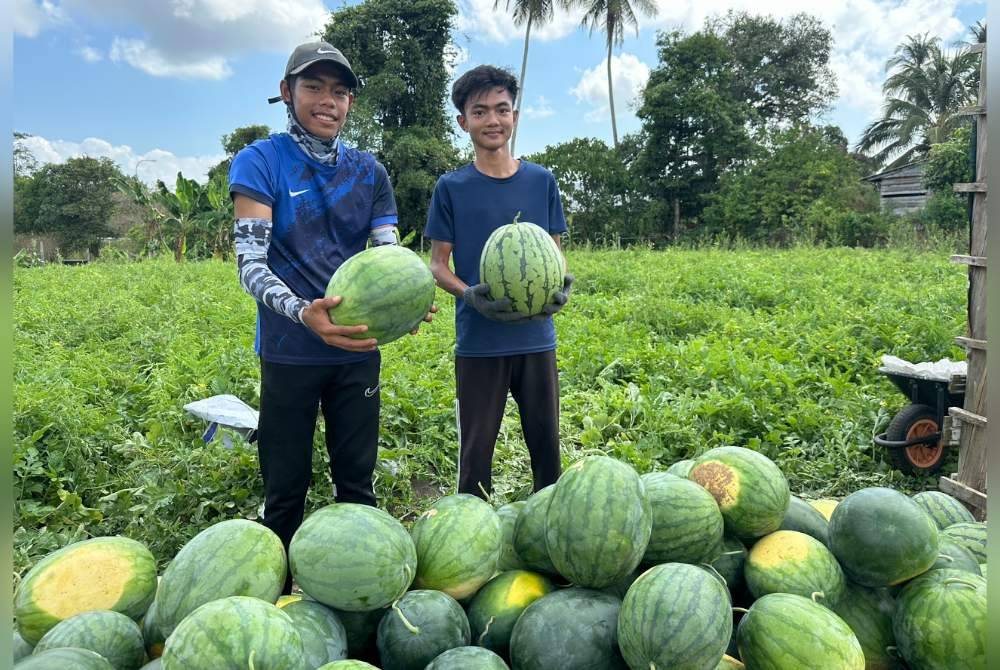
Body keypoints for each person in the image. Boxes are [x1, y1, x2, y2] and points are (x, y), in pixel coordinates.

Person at [228, 41, 430, 590]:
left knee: (356, 479)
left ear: (350, 103)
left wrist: (409, 304)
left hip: (358, 350)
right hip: (290, 349)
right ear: (286, 92)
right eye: (314, 87)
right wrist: (303, 311)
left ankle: (354, 586)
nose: (328, 101)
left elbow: (389, 258)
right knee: (285, 487)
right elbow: (249, 264)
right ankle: (276, 592)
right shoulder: (260, 161)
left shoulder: (370, 172)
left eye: (339, 92)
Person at [424, 64, 573, 499]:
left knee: (547, 451)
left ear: (515, 116)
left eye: (502, 110)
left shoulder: (542, 181)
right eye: (481, 111)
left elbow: (555, 249)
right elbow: (437, 264)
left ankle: (552, 529)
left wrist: (561, 283)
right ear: (463, 121)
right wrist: (468, 293)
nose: (493, 120)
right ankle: (472, 544)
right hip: (479, 342)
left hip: (536, 338)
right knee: (476, 458)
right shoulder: (451, 187)